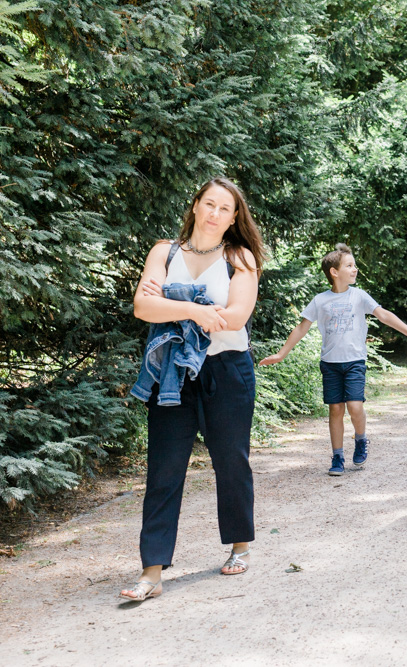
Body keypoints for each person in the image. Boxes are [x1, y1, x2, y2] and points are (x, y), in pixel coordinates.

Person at [121, 177, 267, 601]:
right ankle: (151, 573)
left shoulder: (240, 257)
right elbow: (142, 306)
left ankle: (239, 546)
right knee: (164, 470)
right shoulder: (164, 252)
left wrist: (170, 301)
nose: (214, 213)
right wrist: (194, 308)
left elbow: (236, 317)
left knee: (231, 462)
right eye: (209, 204)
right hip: (172, 374)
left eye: (224, 208)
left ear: (233, 217)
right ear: (196, 206)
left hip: (227, 370)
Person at [259, 244, 407, 475]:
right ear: (334, 271)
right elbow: (301, 328)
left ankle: (360, 439)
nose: (355, 269)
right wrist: (281, 353)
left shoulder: (359, 296)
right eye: (349, 265)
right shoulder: (320, 301)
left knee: (355, 406)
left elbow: (383, 315)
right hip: (330, 364)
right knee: (335, 410)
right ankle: (337, 457)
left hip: (354, 361)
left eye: (355, 265)